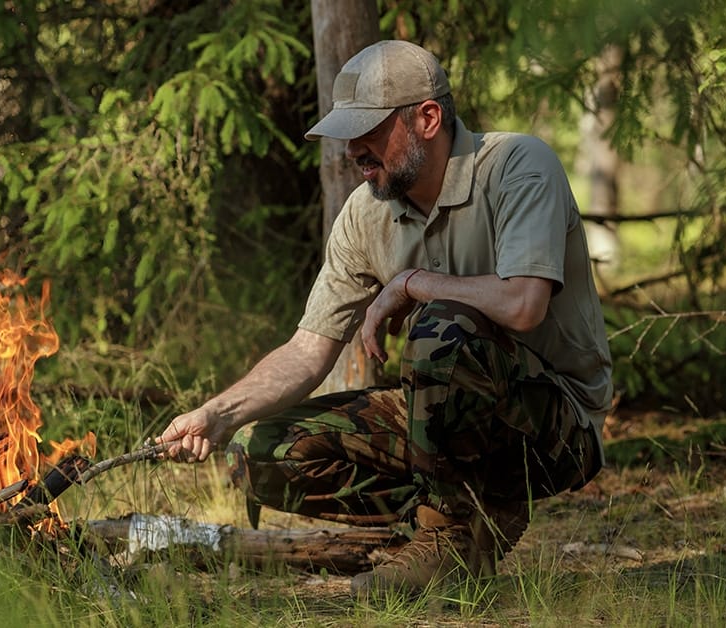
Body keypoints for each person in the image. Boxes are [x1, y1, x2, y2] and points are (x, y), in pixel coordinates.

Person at [157, 40, 613, 598]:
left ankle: (452, 539)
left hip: (553, 429)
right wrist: (215, 414)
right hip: (441, 419)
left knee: (441, 327)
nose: (353, 150)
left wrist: (411, 283)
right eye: (348, 135)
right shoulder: (364, 214)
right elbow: (307, 352)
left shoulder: (519, 165)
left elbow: (524, 304)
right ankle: (441, 533)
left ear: (427, 118)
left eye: (368, 132)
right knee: (267, 453)